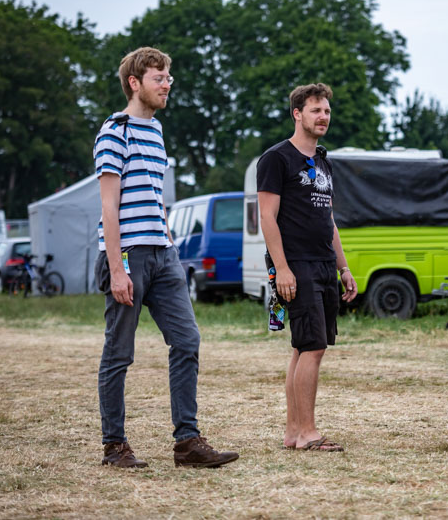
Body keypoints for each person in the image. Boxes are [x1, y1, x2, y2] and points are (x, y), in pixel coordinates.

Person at [93, 47, 238, 468]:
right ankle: (114, 446)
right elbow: (108, 205)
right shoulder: (114, 131)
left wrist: (169, 241)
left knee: (187, 340)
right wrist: (117, 268)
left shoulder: (156, 131)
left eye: (168, 77)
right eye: (159, 78)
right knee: (119, 352)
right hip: (128, 255)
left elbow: (156, 198)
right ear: (135, 83)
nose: (167, 84)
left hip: (163, 253)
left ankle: (187, 443)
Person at [257, 83, 357, 452]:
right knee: (312, 346)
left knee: (304, 348)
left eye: (327, 111)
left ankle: (294, 432)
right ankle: (308, 433)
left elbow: (328, 219)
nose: (323, 116)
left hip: (324, 264)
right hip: (296, 265)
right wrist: (282, 268)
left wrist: (343, 268)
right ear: (297, 114)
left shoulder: (324, 162)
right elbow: (266, 217)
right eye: (316, 110)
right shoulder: (276, 159)